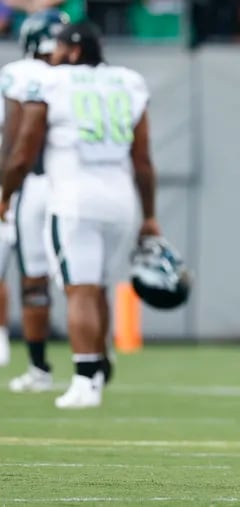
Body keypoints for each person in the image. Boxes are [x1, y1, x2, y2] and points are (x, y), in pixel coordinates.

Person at [0, 21, 161, 408]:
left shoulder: (51, 83)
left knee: (79, 290)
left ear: (72, 51)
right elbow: (142, 160)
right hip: (121, 199)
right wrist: (149, 215)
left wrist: (5, 193)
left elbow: (22, 151)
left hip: (73, 198)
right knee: (98, 286)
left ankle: (86, 378)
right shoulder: (127, 81)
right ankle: (100, 367)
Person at [0, 9, 68, 390]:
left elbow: (12, 139)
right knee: (83, 280)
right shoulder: (80, 76)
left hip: (30, 182)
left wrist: (6, 190)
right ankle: (93, 364)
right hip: (77, 184)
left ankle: (40, 369)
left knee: (33, 279)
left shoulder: (17, 74)